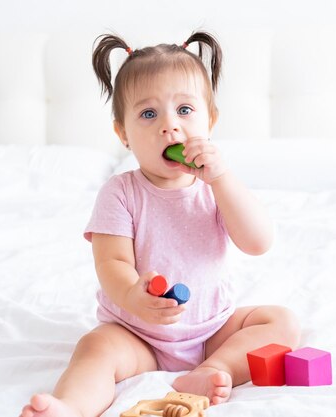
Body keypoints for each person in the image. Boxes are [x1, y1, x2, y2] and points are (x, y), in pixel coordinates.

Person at [20, 31, 301, 417]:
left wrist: (221, 179)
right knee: (95, 347)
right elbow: (111, 263)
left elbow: (258, 242)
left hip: (211, 331)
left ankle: (211, 371)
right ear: (124, 134)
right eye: (148, 114)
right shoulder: (121, 193)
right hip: (139, 335)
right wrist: (134, 296)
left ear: (210, 120)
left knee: (281, 322)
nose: (169, 127)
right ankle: (70, 407)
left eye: (184, 110)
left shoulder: (217, 187)